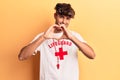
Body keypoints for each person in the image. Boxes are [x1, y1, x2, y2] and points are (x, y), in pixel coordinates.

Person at [18, 3, 95, 80]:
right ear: (55, 16)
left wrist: (71, 37)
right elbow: (22, 56)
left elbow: (92, 55)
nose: (64, 22)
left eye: (67, 18)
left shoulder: (74, 36)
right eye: (61, 17)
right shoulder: (43, 36)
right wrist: (43, 37)